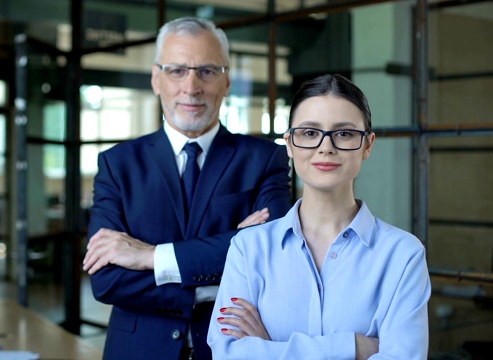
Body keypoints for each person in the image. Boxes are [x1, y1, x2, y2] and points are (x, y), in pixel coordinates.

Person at [82, 17, 292, 360]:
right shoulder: (117, 164)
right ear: (156, 79)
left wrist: (151, 257)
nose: (191, 87)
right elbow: (107, 280)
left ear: (226, 81)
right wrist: (209, 284)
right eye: (177, 70)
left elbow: (270, 254)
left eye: (207, 71)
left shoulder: (265, 159)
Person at [207, 74, 431, 359]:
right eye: (310, 133)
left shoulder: (402, 255)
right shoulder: (249, 248)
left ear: (368, 145)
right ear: (289, 143)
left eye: (344, 133)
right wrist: (348, 348)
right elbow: (228, 355)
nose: (326, 147)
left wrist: (270, 350)